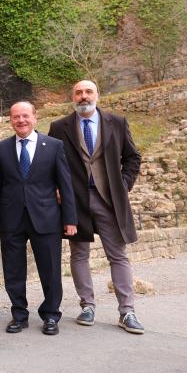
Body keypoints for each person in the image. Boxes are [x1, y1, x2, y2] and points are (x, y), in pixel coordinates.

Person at [48, 80, 144, 334]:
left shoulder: (117, 123)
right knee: (79, 254)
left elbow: (133, 157)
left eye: (88, 92)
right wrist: (56, 188)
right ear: (72, 97)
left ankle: (127, 311)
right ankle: (87, 305)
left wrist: (122, 186)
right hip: (75, 201)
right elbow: (50, 163)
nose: (83, 96)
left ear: (97, 95)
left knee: (118, 255)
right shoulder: (59, 127)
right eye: (78, 92)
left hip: (109, 201)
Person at [0, 102, 77, 336]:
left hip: (46, 217)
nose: (21, 120)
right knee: (13, 270)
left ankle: (50, 315)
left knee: (50, 270)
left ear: (35, 118)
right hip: (11, 218)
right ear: (11, 120)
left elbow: (65, 185)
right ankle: (19, 315)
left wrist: (70, 219)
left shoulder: (54, 146)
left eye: (25, 116)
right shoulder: (2, 148)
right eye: (16, 117)